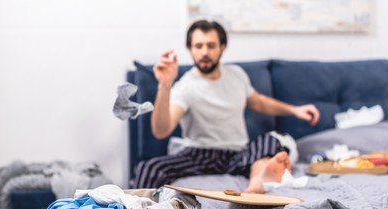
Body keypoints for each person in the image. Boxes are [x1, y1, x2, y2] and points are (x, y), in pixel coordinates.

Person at [133, 20, 320, 193]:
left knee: (271, 142)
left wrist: (295, 110)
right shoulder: (185, 86)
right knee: (149, 168)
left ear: (222, 48)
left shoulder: (237, 75)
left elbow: (258, 102)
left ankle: (256, 185)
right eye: (199, 46)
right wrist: (164, 86)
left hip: (237, 154)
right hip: (199, 155)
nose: (204, 52)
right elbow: (161, 131)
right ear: (190, 49)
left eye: (211, 45)